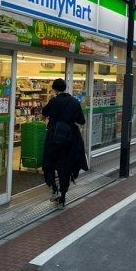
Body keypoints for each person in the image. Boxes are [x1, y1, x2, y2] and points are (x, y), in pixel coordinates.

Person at [42, 78, 88, 208]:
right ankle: (63, 196)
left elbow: (44, 112)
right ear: (65, 87)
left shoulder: (53, 101)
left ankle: (53, 187)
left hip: (54, 136)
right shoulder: (74, 102)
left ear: (54, 89)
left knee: (49, 161)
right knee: (66, 165)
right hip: (70, 138)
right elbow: (81, 121)